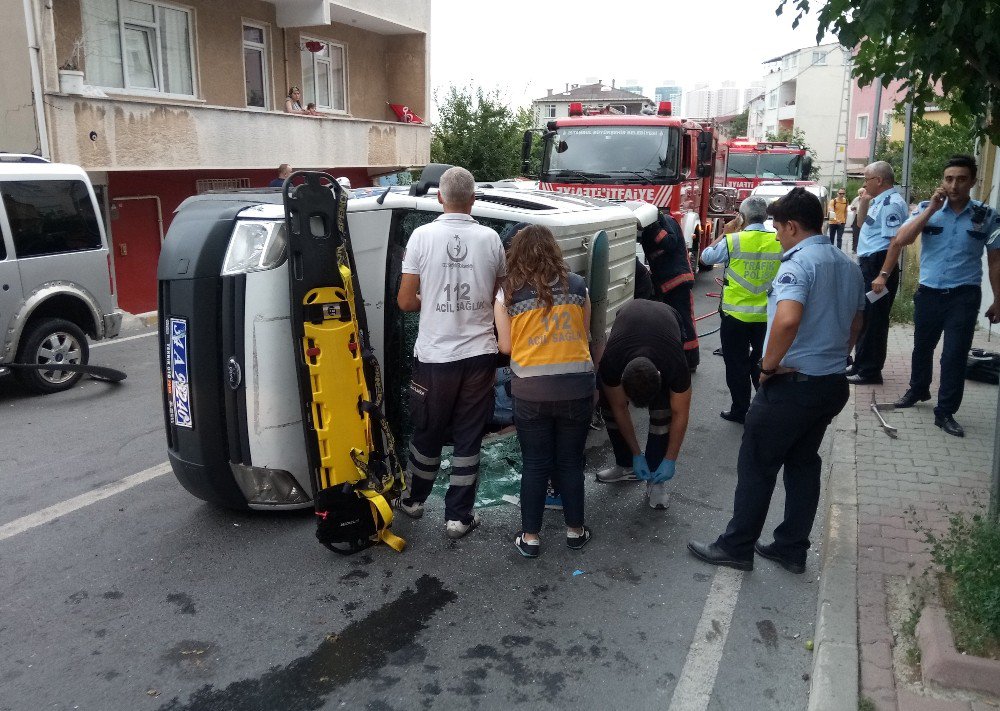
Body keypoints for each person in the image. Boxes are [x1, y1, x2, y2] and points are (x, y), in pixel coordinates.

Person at [688, 188, 865, 573]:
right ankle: (791, 547)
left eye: (780, 228)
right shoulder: (847, 264)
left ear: (793, 226)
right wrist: (838, 355)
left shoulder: (797, 265)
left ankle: (736, 547)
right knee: (803, 463)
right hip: (831, 383)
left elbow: (786, 320)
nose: (777, 235)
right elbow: (856, 321)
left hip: (793, 385)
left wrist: (768, 368)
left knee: (757, 464)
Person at [396, 166, 506, 538]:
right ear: (473, 199)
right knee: (469, 435)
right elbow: (498, 295)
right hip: (479, 354)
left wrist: (430, 301)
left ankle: (414, 500)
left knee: (428, 428)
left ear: (440, 197)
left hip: (434, 357)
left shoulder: (421, 236)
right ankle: (459, 518)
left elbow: (405, 301)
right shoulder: (491, 238)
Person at [873, 154, 1000, 437]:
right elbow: (901, 239)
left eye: (961, 179)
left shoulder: (987, 216)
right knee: (922, 348)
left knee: (954, 355)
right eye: (949, 179)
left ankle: (945, 412)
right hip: (929, 293)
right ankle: (918, 390)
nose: (954, 185)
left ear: (973, 182)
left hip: (964, 296)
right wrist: (931, 208)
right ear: (943, 180)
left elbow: (996, 261)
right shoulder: (925, 209)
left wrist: (998, 299)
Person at [493, 225, 595, 557]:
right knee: (570, 462)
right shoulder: (578, 286)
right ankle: (575, 532)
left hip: (531, 393)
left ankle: (530, 538)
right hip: (576, 389)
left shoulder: (507, 293)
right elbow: (585, 334)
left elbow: (506, 347)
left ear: (516, 253)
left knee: (535, 463)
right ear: (554, 250)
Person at [593, 299, 692, 510]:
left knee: (662, 413)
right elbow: (619, 407)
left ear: (660, 376)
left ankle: (656, 479)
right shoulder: (611, 362)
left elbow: (680, 413)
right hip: (629, 314)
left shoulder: (674, 363)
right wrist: (636, 454)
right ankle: (626, 465)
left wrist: (670, 459)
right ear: (622, 379)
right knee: (609, 406)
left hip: (668, 317)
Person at [700, 196, 782, 424]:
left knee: (736, 365)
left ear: (742, 217)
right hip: (766, 316)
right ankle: (765, 409)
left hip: (734, 316)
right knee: (763, 362)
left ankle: (740, 410)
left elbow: (705, 258)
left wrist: (725, 233)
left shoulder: (733, 240)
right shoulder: (778, 240)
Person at [847, 161, 909, 385]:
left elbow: (895, 243)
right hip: (869, 264)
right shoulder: (878, 201)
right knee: (865, 316)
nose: (864, 184)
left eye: (867, 179)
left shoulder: (892, 204)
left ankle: (870, 371)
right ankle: (860, 364)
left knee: (875, 320)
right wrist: (864, 201)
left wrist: (883, 274)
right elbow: (861, 223)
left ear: (879, 180)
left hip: (879, 265)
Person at [639, 212, 700, 371]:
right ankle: (677, 356)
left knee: (684, 320)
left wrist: (654, 228)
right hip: (666, 284)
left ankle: (690, 360)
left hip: (678, 281)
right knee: (673, 321)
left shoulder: (664, 222)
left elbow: (670, 243)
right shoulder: (648, 231)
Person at [848, 188, 866, 254]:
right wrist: (853, 208)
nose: (861, 194)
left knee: (863, 234)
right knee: (855, 233)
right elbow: (851, 207)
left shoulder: (867, 199)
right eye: (860, 193)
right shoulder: (856, 199)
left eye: (862, 193)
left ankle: (862, 248)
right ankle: (854, 248)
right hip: (856, 217)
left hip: (864, 217)